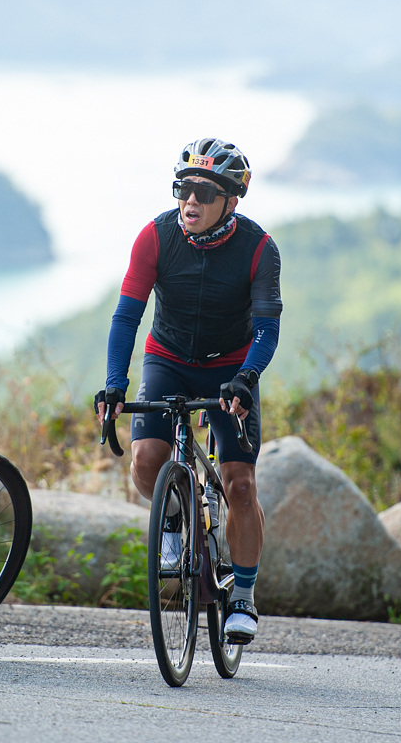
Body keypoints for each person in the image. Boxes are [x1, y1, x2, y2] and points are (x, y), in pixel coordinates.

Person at [95, 138, 281, 644]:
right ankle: (176, 519)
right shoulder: (155, 237)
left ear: (231, 200)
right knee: (145, 462)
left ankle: (243, 595)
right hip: (168, 359)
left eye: (204, 192)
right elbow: (126, 317)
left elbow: (267, 329)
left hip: (230, 368)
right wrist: (114, 384)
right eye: (183, 189)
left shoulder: (259, 248)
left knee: (240, 485)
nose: (190, 201)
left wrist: (247, 378)